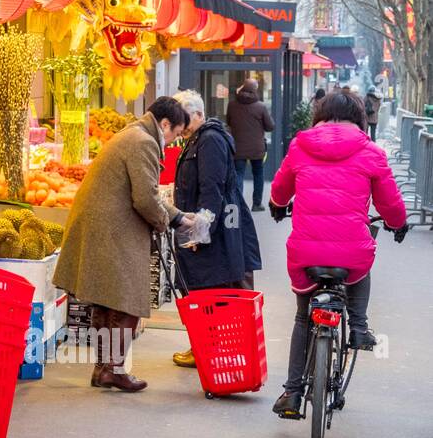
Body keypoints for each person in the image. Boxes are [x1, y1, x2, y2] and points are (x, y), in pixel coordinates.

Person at [267, 90, 408, 418]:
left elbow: (280, 189)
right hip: (350, 254)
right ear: (359, 117)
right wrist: (397, 224)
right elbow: (389, 201)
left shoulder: (301, 146)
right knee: (362, 257)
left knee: (304, 316)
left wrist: (276, 206)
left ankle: (291, 391)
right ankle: (358, 326)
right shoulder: (371, 151)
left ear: (319, 115)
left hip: (305, 253)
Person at [54, 97, 195, 392]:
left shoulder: (132, 134)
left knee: (107, 299)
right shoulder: (143, 141)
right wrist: (170, 220)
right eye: (174, 135)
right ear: (165, 124)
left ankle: (104, 369)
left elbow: (146, 194)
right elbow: (145, 198)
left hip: (104, 226)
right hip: (111, 229)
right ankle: (114, 369)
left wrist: (176, 217)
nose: (171, 143)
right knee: (125, 299)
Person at [169, 90, 262, 368]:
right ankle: (203, 345)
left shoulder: (209, 140)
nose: (180, 127)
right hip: (214, 225)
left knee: (208, 290)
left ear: (198, 115)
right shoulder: (199, 138)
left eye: (184, 120)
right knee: (205, 289)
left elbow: (212, 188)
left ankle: (206, 348)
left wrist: (200, 231)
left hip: (217, 229)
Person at [226, 78, 275, 211]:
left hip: (238, 147)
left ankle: (239, 204)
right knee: (258, 174)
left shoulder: (232, 105)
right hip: (257, 149)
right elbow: (270, 127)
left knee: (239, 174)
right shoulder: (261, 107)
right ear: (255, 90)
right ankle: (257, 204)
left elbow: (228, 122)